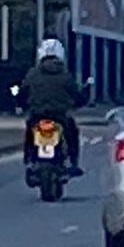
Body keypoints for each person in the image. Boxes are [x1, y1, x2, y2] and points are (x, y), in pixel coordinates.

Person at [21, 38, 87, 175]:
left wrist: (20, 104)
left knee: (29, 130)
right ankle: (73, 162)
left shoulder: (32, 74)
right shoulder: (65, 75)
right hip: (59, 115)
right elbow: (76, 94)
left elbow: (23, 93)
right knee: (72, 133)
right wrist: (80, 102)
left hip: (37, 114)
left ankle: (29, 157)